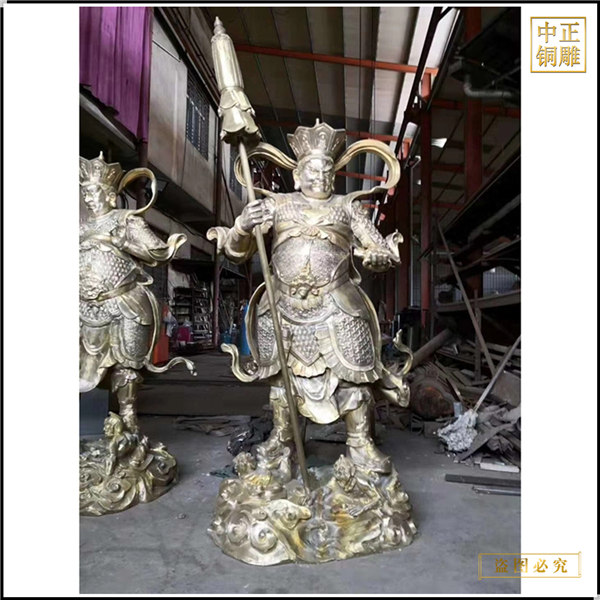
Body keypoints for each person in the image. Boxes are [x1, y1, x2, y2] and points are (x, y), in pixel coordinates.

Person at [209, 121, 408, 474]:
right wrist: (242, 226)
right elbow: (237, 252)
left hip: (337, 304)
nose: (321, 176)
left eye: (328, 170)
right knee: (281, 380)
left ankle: (360, 443)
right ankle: (282, 438)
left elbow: (379, 248)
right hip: (283, 306)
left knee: (354, 376)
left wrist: (379, 256)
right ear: (297, 176)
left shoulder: (347, 207)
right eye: (313, 170)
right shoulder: (277, 205)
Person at [79, 153, 194, 431]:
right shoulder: (81, 228)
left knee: (127, 365)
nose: (88, 198)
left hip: (123, 303)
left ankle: (128, 418)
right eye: (84, 193)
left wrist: (126, 243)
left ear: (110, 195)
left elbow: (158, 251)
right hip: (84, 306)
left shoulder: (127, 221)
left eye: (93, 192)